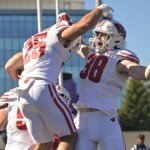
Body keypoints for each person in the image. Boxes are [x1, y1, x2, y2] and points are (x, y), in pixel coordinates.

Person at [5, 4, 113, 150]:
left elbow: (10, 66)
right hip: (42, 87)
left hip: (23, 95)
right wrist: (99, 10)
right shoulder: (58, 34)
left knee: (43, 144)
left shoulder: (30, 42)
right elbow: (84, 25)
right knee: (69, 137)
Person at [73, 15, 150, 150]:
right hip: (82, 120)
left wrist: (147, 71)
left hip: (106, 120)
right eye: (97, 34)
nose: (98, 38)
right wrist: (65, 25)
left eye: (103, 35)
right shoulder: (91, 55)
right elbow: (74, 41)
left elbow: (138, 71)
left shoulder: (119, 58)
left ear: (116, 39)